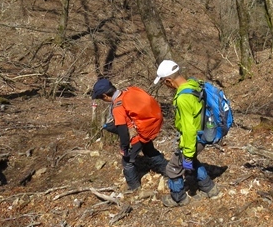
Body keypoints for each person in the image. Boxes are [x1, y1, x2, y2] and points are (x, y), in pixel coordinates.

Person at [154, 60, 221, 207]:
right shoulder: (194, 84)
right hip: (204, 134)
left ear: (168, 81)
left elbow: (188, 129)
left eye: (164, 83)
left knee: (173, 168)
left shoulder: (183, 98)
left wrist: (188, 152)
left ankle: (178, 198)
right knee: (192, 163)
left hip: (193, 139)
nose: (165, 86)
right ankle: (210, 188)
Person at [91, 78, 168, 191]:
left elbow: (123, 132)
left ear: (105, 95)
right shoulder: (129, 91)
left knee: (127, 162)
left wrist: (124, 148)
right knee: (150, 151)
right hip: (144, 130)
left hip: (136, 136)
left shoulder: (117, 107)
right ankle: (170, 171)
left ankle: (134, 187)